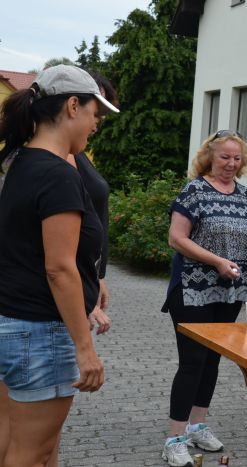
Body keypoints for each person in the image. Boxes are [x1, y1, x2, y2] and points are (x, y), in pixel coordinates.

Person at [0, 64, 117, 466]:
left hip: (12, 322)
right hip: (41, 331)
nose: (95, 125)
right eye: (94, 113)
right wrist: (85, 349)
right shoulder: (57, 174)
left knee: (14, 444)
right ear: (72, 107)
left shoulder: (18, 162)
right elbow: (59, 268)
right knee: (32, 455)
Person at [161, 130, 247, 466]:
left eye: (237, 158)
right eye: (224, 157)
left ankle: (197, 426)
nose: (231, 164)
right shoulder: (194, 191)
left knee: (212, 361)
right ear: (210, 157)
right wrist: (216, 261)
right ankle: (174, 439)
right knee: (192, 362)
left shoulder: (246, 196)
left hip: (230, 292)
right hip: (192, 290)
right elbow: (176, 238)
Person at [72, 70, 120, 336]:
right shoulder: (59, 163)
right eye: (96, 109)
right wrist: (82, 299)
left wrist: (97, 277)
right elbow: (58, 256)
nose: (98, 120)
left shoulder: (76, 154)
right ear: (73, 105)